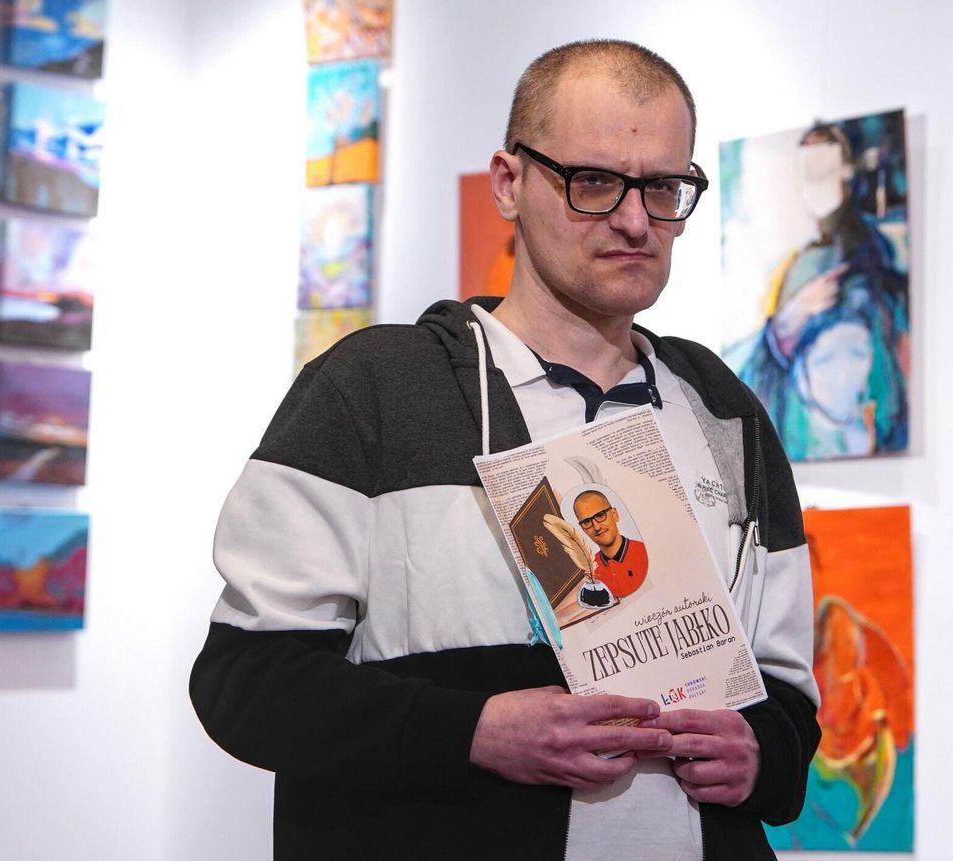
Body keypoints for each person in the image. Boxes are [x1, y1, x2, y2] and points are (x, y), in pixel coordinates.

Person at [189, 39, 820, 860]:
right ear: (508, 183)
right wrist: (474, 730)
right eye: (593, 181)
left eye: (664, 187)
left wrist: (760, 753)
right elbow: (244, 682)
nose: (636, 220)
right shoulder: (376, 389)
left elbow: (788, 700)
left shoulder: (724, 410)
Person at [730, 122, 908, 461]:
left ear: (845, 171)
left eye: (823, 171)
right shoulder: (797, 265)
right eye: (807, 175)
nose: (815, 185)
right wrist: (792, 317)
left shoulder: (870, 254)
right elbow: (759, 370)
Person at [573, 489, 648, 600]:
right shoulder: (590, 572)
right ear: (583, 529)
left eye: (600, 515)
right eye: (587, 522)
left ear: (615, 514)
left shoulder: (645, 552)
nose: (597, 527)